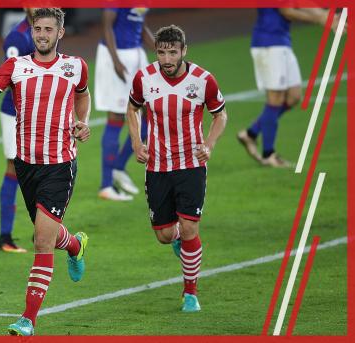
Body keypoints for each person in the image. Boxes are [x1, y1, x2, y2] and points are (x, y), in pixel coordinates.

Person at [0, 8, 90, 336]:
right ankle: (74, 245)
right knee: (48, 234)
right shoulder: (15, 67)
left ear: (60, 33)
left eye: (48, 29)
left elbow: (82, 96)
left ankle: (27, 319)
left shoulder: (76, 67)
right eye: (37, 29)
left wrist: (81, 122)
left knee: (41, 241)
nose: (42, 34)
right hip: (27, 165)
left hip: (60, 165)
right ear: (31, 32)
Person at [126, 25, 227, 312]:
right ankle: (179, 238)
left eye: (173, 52)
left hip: (191, 166)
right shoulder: (144, 78)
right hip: (157, 166)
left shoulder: (203, 80)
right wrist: (137, 141)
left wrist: (209, 144)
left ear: (184, 51)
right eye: (161, 52)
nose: (167, 59)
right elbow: (132, 108)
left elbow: (220, 115)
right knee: (165, 235)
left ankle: (190, 293)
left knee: (190, 227)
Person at [237, 8, 339, 167]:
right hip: (269, 43)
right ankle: (269, 154)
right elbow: (287, 10)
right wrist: (321, 18)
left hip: (282, 42)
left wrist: (324, 15)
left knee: (294, 96)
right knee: (275, 99)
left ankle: (251, 133)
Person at [96, 8, 154, 201]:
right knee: (116, 117)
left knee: (151, 114)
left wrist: (162, 51)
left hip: (137, 55)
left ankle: (118, 167)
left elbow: (140, 25)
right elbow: (107, 26)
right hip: (115, 55)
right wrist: (115, 61)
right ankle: (106, 185)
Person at [0, 9, 36, 253]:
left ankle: (42, 230)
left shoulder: (47, 31)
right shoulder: (17, 37)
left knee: (45, 168)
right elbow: (11, 79)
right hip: (15, 113)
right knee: (14, 168)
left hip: (39, 112)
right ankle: (5, 237)